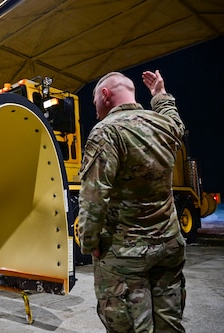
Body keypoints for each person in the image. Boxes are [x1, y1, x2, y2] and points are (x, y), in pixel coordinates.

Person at [78, 70, 186, 332]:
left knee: (131, 327)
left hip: (125, 253)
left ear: (105, 94)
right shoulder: (163, 125)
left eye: (94, 101)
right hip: (169, 245)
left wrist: (89, 241)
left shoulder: (106, 131)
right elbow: (177, 123)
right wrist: (159, 94)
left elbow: (94, 196)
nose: (94, 109)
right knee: (169, 325)